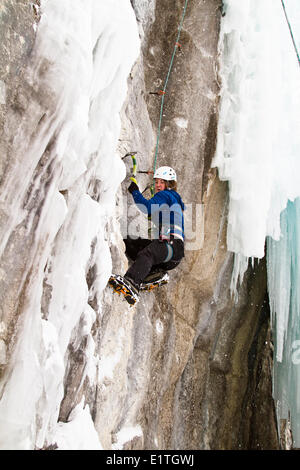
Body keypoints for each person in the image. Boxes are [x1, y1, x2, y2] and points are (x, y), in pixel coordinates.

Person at [121, 165, 185, 301]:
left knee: (147, 254)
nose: (158, 185)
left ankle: (131, 282)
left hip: (170, 244)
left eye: (162, 182)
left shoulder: (166, 194)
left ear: (169, 184)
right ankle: (155, 274)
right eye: (156, 182)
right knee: (133, 245)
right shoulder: (175, 200)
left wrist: (135, 191)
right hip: (173, 254)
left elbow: (146, 207)